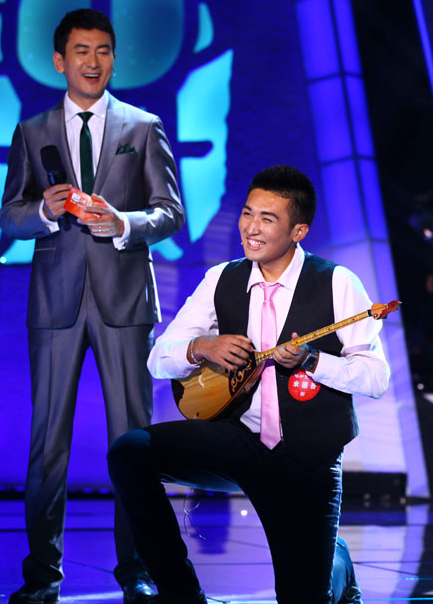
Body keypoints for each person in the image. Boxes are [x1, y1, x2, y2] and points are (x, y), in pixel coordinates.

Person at [108, 165, 385, 603]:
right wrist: (201, 347)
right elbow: (158, 358)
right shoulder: (223, 278)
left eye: (267, 219)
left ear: (298, 231)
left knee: (303, 597)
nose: (251, 229)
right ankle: (181, 596)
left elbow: (376, 377)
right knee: (131, 452)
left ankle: (336, 562)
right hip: (239, 441)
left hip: (307, 456)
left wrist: (313, 360)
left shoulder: (337, 283)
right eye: (247, 213)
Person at [0, 9, 183, 604]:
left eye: (103, 50)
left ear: (113, 58)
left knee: (133, 442)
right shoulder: (33, 130)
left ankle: (138, 572)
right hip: (55, 304)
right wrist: (44, 211)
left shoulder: (142, 126)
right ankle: (42, 577)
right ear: (60, 60)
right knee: (47, 443)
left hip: (124, 303)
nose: (93, 61)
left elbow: (171, 212)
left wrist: (124, 222)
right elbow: (9, 215)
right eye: (81, 51)